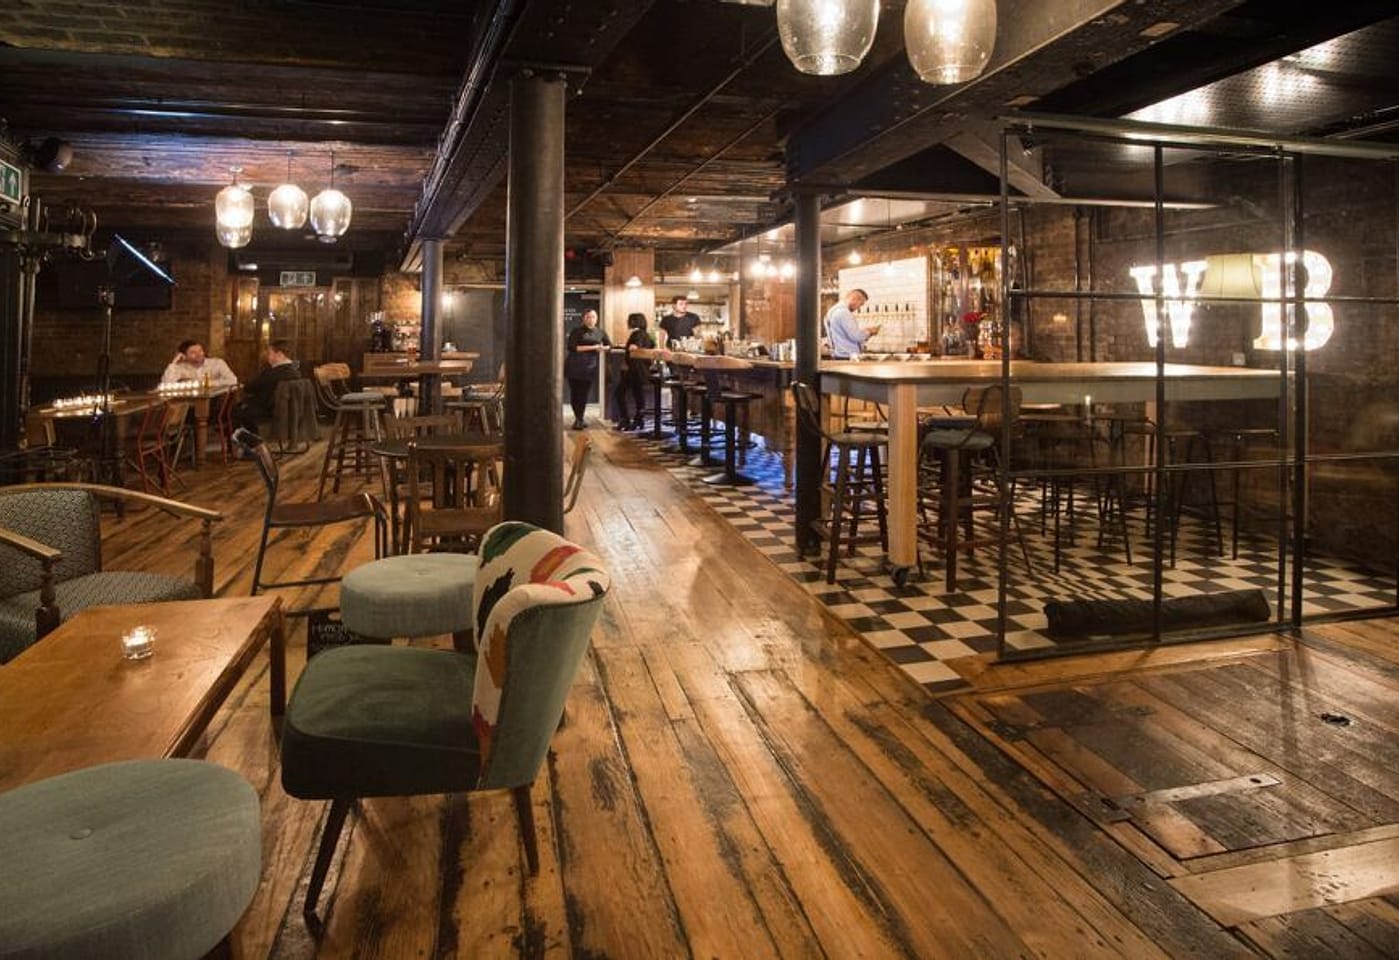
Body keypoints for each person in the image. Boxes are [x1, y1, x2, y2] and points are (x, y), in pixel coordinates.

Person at [232, 340, 302, 433]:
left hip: (267, 410)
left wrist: (244, 386)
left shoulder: (272, 373)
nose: (267, 356)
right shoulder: (296, 372)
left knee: (234, 410)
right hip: (288, 412)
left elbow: (250, 388)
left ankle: (253, 442)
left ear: (280, 355)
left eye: (269, 353)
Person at [564, 309, 611, 430]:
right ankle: (578, 418)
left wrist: (603, 348)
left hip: (590, 367)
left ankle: (579, 418)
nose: (591, 319)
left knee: (584, 393)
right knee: (575, 393)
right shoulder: (576, 331)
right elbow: (572, 347)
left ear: (597, 318)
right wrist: (594, 347)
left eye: (593, 317)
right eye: (588, 317)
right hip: (574, 365)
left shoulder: (600, 332)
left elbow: (609, 345)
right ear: (583, 318)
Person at [613, 312, 654, 430]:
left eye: (629, 320)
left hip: (634, 369)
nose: (628, 323)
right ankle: (638, 420)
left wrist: (632, 346)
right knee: (638, 395)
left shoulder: (637, 334)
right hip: (642, 369)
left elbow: (635, 347)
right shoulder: (646, 334)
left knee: (619, 393)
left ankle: (625, 419)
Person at [823, 289, 878, 358]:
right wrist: (870, 331)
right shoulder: (844, 313)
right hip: (847, 356)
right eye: (860, 304)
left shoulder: (833, 311)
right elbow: (856, 336)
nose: (858, 308)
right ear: (854, 298)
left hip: (838, 354)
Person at [160, 339, 238, 387]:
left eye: (200, 350)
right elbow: (166, 384)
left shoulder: (217, 363)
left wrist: (206, 384)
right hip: (187, 404)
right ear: (184, 356)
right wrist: (174, 363)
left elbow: (233, 380)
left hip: (214, 404)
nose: (198, 354)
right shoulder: (180, 367)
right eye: (193, 352)